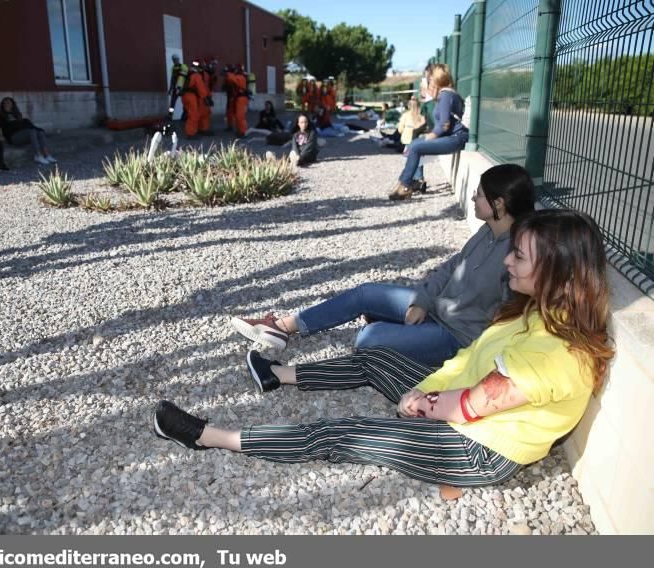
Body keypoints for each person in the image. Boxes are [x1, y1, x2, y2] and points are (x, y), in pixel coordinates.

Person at [154, 210, 614, 490]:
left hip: (479, 448)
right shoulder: (535, 311)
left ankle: (212, 438)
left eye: (521, 256)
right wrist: (425, 390)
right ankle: (278, 374)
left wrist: (423, 403)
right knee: (375, 359)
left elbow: (472, 406)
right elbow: (465, 364)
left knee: (343, 433)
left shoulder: (557, 351)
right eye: (512, 251)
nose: (508, 261)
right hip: (457, 405)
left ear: (559, 273)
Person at [231, 164, 536, 368]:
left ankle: (395, 331)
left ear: (499, 204)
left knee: (369, 339)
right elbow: (448, 269)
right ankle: (283, 327)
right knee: (365, 293)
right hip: (435, 309)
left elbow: (508, 320)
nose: (472, 197)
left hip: (454, 336)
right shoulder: (487, 231)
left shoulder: (520, 254)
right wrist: (422, 301)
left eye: (479, 194)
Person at [390, 64, 467, 201]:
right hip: (454, 136)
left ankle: (406, 185)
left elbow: (444, 124)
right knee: (414, 144)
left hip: (456, 138)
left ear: (437, 80)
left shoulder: (445, 96)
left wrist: (430, 137)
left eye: (430, 79)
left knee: (416, 147)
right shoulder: (447, 94)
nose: (429, 82)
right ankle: (406, 182)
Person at [0, 97, 56, 165]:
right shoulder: (0, 115)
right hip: (13, 137)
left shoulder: (17, 114)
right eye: (4, 103)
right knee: (31, 131)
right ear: (2, 105)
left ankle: (46, 155)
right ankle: (38, 155)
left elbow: (22, 125)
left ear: (12, 104)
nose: (6, 104)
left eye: (8, 102)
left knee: (40, 132)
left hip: (22, 134)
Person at [396, 97, 428, 188]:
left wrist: (404, 131)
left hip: (407, 139)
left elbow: (400, 128)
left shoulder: (405, 115)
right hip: (418, 139)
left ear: (409, 106)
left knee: (410, 160)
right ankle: (420, 178)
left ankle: (411, 179)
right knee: (420, 160)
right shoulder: (421, 116)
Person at [182, 59, 213, 139]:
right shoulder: (197, 75)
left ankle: (201, 129)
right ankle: (191, 133)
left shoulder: (189, 73)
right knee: (194, 115)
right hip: (193, 96)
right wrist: (206, 97)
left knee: (202, 113)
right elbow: (201, 87)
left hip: (188, 96)